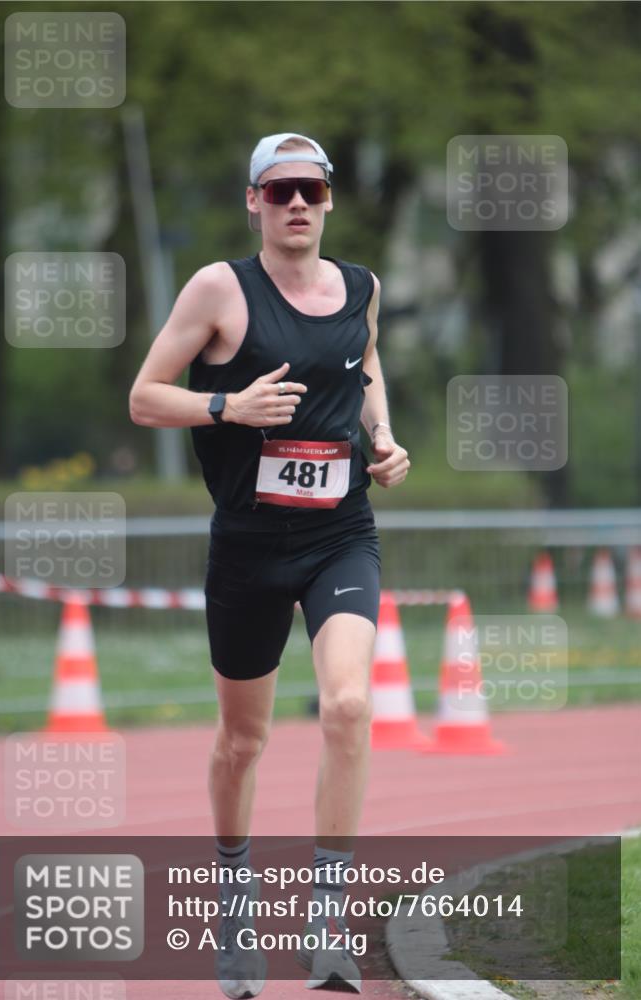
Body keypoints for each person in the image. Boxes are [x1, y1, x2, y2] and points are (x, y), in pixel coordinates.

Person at [129, 132, 410, 996]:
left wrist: (383, 437)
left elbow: (362, 362)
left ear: (328, 201)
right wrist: (228, 405)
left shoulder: (358, 287)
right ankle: (233, 896)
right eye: (280, 190)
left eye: (312, 192)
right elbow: (144, 397)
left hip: (339, 534)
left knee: (351, 704)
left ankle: (327, 919)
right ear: (252, 199)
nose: (297, 204)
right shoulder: (221, 288)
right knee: (242, 740)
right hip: (248, 547)